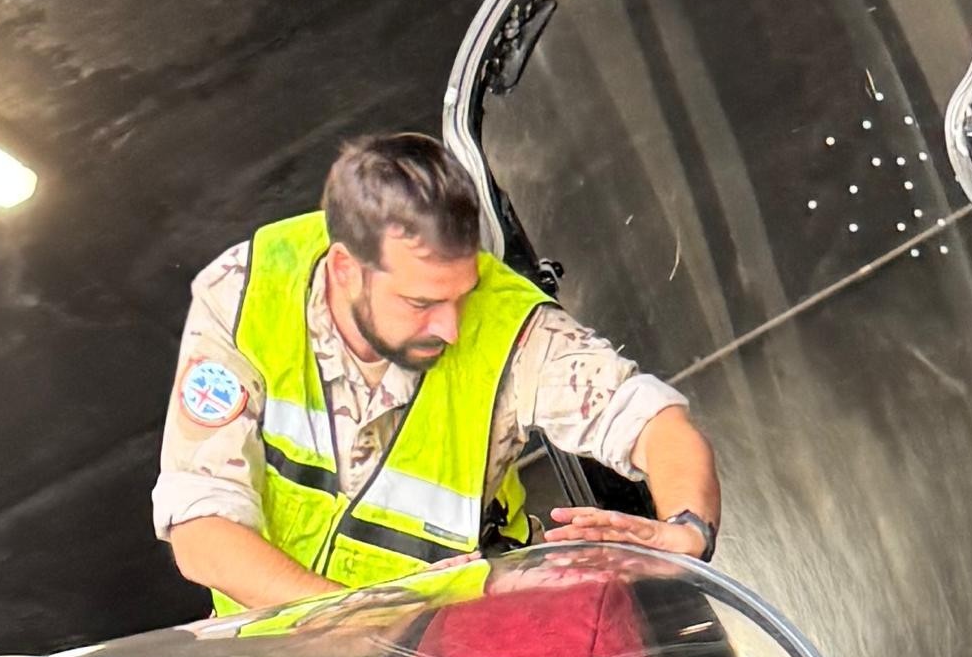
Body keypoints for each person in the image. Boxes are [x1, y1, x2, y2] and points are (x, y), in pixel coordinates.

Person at [152, 131, 722, 615]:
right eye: (421, 303)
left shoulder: (508, 327)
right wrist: (356, 627)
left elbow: (655, 423)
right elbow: (202, 533)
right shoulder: (247, 294)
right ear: (347, 268)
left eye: (463, 294)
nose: (450, 328)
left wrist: (687, 529)